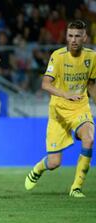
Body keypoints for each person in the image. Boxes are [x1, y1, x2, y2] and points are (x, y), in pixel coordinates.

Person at [25, 20, 96, 198]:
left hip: (80, 107)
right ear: (66, 36)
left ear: (84, 37)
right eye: (70, 35)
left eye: (77, 36)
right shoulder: (58, 56)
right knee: (55, 162)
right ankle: (38, 168)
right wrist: (65, 94)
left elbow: (92, 85)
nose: (73, 40)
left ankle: (76, 187)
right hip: (58, 111)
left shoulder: (92, 57)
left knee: (88, 138)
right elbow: (45, 84)